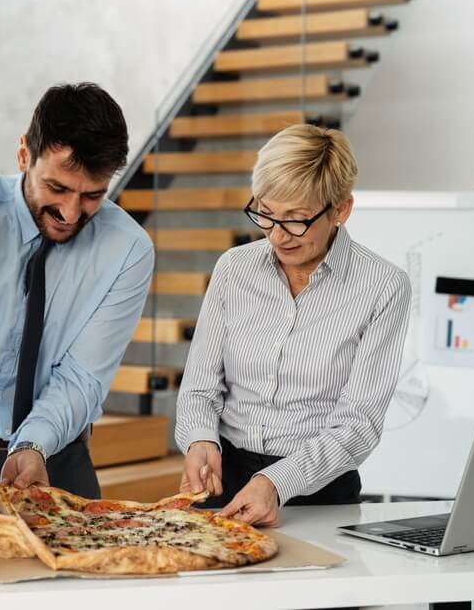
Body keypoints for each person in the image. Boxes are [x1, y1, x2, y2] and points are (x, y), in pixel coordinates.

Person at [0, 82, 153, 499]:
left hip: (56, 453)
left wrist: (32, 444)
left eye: (93, 195)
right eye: (57, 188)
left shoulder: (129, 249)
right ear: (24, 154)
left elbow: (84, 375)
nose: (70, 213)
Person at [174, 124, 411, 527]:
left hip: (320, 490)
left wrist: (278, 481)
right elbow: (199, 386)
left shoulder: (383, 287)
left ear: (341, 210)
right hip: (223, 480)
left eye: (297, 220)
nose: (278, 235)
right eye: (266, 214)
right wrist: (199, 438)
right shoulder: (233, 269)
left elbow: (359, 424)